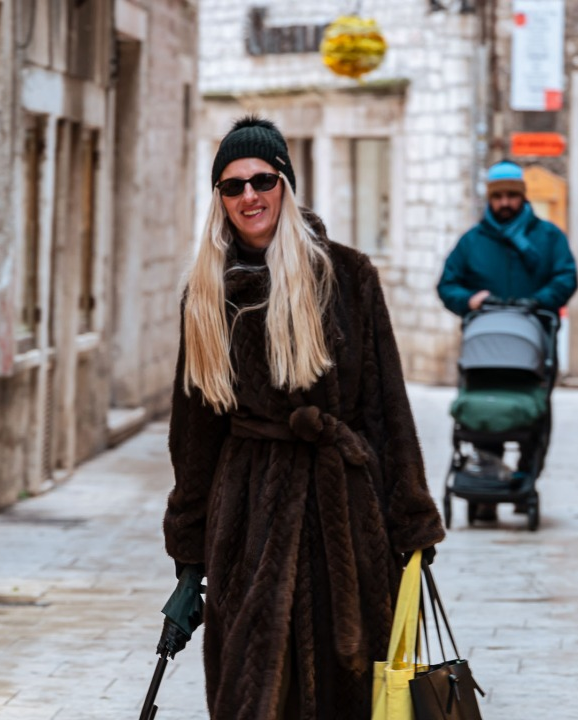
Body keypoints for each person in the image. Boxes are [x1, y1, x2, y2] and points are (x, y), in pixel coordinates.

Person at [163, 116, 445, 719]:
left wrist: (412, 524)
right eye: (233, 186)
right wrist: (189, 558)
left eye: (262, 180)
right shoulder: (206, 294)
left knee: (350, 688)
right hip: (247, 520)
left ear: (285, 184)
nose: (249, 196)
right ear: (219, 198)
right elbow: (193, 435)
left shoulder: (347, 276)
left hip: (344, 516)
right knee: (250, 690)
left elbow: (387, 408)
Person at [436, 160, 578, 520]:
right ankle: (487, 482)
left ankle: (524, 478)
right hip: (486, 350)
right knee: (486, 411)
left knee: (536, 414)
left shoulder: (548, 238)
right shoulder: (472, 242)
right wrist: (470, 300)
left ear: (522, 196)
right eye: (497, 197)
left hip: (534, 345)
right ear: (489, 198)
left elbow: (566, 276)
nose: (504, 203)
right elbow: (447, 284)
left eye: (511, 196)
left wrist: (539, 301)